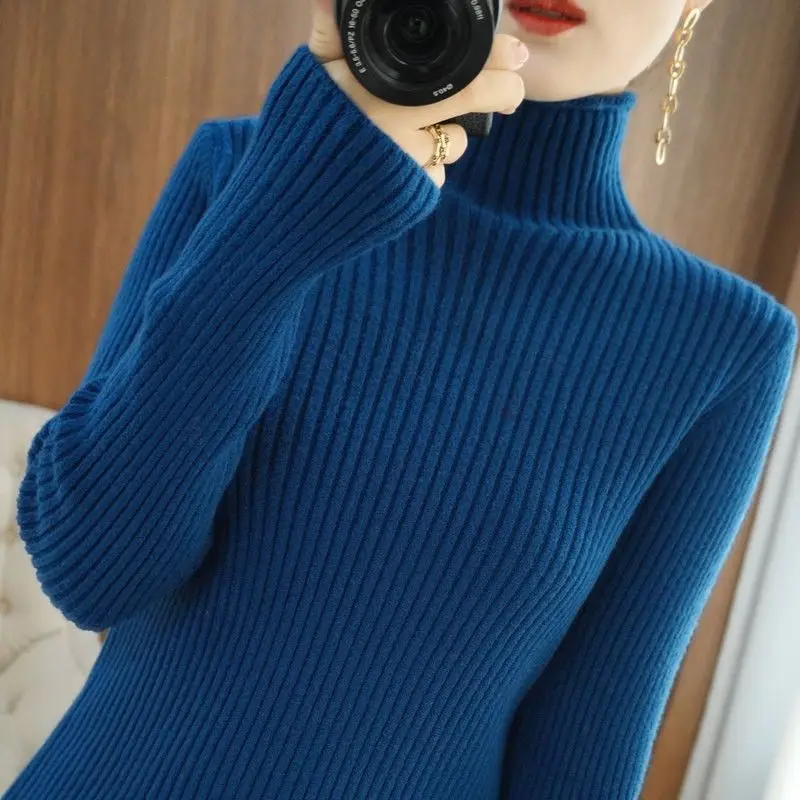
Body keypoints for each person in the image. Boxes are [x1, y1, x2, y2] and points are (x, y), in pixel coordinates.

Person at [8, 0, 796, 797]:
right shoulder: (244, 173)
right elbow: (91, 570)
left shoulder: (725, 345)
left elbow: (586, 752)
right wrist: (290, 200)